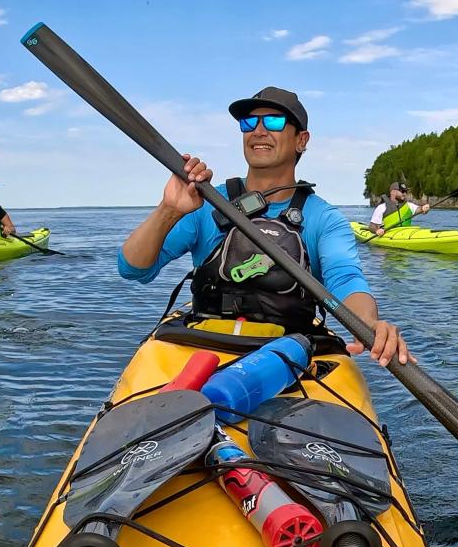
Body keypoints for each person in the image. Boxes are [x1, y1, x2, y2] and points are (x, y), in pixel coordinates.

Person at [119, 86, 411, 367]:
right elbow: (133, 268)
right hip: (204, 342)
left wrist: (369, 324)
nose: (258, 130)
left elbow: (345, 279)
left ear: (301, 140)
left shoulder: (323, 218)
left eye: (273, 121)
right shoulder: (206, 202)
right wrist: (168, 210)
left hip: (286, 351)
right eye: (249, 122)